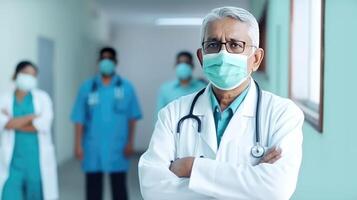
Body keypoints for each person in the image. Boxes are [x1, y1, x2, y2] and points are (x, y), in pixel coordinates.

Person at [139, 7, 304, 200]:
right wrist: (248, 182)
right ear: (201, 57)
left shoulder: (282, 114)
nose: (223, 53)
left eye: (235, 45)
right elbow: (152, 188)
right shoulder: (173, 113)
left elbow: (276, 189)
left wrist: (191, 167)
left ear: (256, 59)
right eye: (213, 44)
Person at [71, 47, 142, 200]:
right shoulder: (87, 87)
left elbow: (132, 118)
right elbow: (79, 118)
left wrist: (130, 143)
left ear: (115, 62)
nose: (106, 62)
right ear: (98, 62)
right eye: (103, 59)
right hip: (92, 146)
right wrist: (77, 145)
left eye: (109, 59)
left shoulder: (126, 87)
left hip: (118, 145)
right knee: (93, 189)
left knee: (119, 188)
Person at [0, 61, 59, 200]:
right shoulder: (4, 98)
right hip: (13, 163)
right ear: (16, 74)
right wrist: (31, 117)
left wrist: (14, 122)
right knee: (9, 194)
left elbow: (43, 125)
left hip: (36, 163)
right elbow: (4, 124)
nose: (29, 78)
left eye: (33, 75)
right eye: (26, 73)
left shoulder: (42, 98)